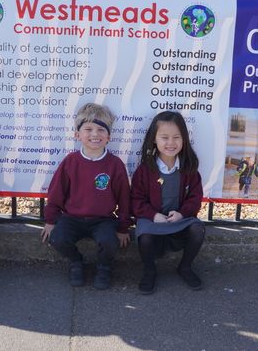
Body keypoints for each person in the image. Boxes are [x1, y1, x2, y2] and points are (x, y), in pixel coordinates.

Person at [41, 103, 131, 290]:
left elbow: (124, 198)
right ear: (77, 135)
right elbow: (56, 192)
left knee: (109, 241)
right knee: (57, 238)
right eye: (88, 129)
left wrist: (123, 227)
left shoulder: (115, 165)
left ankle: (104, 266)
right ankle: (76, 261)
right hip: (72, 218)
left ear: (108, 137)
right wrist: (50, 220)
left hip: (103, 219)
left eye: (100, 130)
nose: (94, 134)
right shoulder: (70, 162)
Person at [131, 111, 206, 294]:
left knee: (198, 229)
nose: (171, 143)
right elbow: (136, 200)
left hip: (179, 220)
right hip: (153, 220)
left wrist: (182, 213)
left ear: (184, 139)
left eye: (176, 137)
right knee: (145, 236)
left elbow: (195, 198)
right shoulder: (144, 170)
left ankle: (185, 267)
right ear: (154, 139)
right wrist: (153, 215)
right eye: (164, 137)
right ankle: (149, 271)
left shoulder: (189, 169)